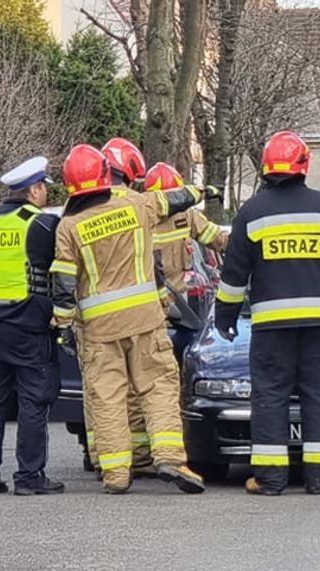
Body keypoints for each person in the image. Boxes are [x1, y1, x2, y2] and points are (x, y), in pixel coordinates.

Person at [50, 143, 210, 494]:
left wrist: (61, 324)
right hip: (145, 320)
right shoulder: (137, 205)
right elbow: (175, 198)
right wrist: (202, 190)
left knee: (107, 398)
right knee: (158, 387)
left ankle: (117, 475)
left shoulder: (69, 226)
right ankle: (168, 457)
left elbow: (62, 282)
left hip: (98, 329)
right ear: (105, 175)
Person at [213, 130, 320, 496]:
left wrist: (225, 318)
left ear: (266, 167)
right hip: (317, 327)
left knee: (269, 397)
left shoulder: (251, 213)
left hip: (270, 329)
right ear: (304, 166)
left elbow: (233, 276)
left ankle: (270, 479)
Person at [0, 156, 65, 495]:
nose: (46, 192)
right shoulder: (42, 224)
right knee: (34, 399)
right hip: (28, 322)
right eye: (43, 186)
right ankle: (30, 477)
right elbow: (61, 272)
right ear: (33, 189)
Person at [77, 138, 154, 476]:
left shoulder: (74, 213)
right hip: (140, 316)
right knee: (142, 388)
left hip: (92, 320)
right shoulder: (140, 204)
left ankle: (104, 459)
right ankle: (139, 455)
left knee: (101, 393)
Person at [144, 162, 229, 363]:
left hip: (179, 306)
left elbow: (219, 240)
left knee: (189, 347)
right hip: (149, 304)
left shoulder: (188, 216)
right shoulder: (142, 218)